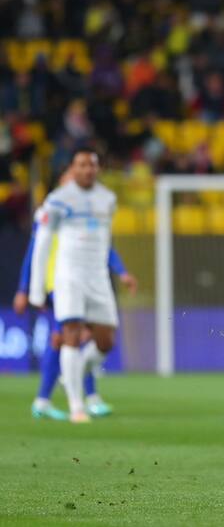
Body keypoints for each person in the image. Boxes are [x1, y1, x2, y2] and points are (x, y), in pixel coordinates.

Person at [28, 148, 121, 424]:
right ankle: (76, 406)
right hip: (68, 277)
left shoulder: (107, 199)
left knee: (106, 341)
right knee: (68, 334)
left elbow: (105, 241)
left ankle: (71, 375)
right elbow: (41, 243)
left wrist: (118, 271)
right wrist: (34, 288)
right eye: (81, 165)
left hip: (98, 277)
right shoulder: (57, 201)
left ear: (98, 169)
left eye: (92, 165)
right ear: (72, 168)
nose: (88, 170)